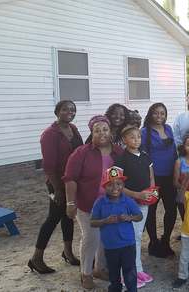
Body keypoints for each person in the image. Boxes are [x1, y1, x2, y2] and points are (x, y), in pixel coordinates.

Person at [63, 115, 124, 289]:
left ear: (110, 131)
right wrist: (70, 203)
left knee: (105, 238)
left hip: (112, 203)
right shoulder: (81, 153)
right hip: (88, 204)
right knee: (91, 238)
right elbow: (70, 179)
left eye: (105, 129)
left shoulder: (118, 152)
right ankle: (86, 273)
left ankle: (99, 268)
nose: (102, 133)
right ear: (92, 133)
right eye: (97, 130)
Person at [29, 100, 83, 274]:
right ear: (57, 111)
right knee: (53, 218)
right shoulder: (50, 134)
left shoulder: (73, 129)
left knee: (68, 216)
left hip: (72, 181)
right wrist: (58, 189)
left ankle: (67, 252)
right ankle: (36, 258)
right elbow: (48, 166)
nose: (70, 112)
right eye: (65, 109)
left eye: (73, 109)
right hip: (57, 183)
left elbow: (81, 150)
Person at [114, 125, 156, 288]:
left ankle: (137, 269)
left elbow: (151, 177)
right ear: (124, 140)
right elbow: (117, 186)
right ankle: (125, 274)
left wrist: (151, 192)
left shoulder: (145, 156)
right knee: (127, 238)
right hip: (127, 203)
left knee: (137, 236)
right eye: (132, 137)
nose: (136, 140)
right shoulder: (121, 159)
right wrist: (136, 195)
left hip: (143, 203)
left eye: (138, 136)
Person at [90, 167, 143, 292]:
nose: (115, 188)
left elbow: (139, 216)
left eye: (118, 184)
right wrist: (105, 221)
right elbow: (92, 222)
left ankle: (132, 290)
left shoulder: (128, 201)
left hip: (128, 244)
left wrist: (129, 217)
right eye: (110, 184)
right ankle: (115, 289)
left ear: (123, 185)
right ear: (104, 186)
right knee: (113, 273)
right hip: (110, 246)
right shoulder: (100, 203)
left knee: (129, 271)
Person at [141, 103, 178, 258]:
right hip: (153, 177)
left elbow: (174, 150)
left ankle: (166, 240)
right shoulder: (144, 132)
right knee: (151, 210)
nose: (159, 116)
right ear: (150, 114)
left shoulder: (168, 128)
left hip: (170, 176)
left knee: (171, 209)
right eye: (156, 113)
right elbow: (142, 155)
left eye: (162, 113)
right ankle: (153, 242)